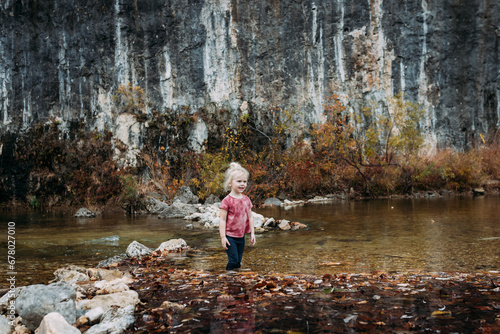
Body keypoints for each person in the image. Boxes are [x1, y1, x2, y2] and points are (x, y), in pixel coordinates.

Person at [219, 162, 256, 271]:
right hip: (230, 236)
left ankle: (236, 280)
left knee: (238, 261)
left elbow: (250, 217)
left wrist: (252, 233)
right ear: (230, 183)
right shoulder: (227, 201)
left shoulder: (246, 200)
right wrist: (223, 237)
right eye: (239, 181)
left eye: (244, 182)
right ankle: (228, 277)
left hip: (241, 237)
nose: (242, 184)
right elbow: (222, 219)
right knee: (233, 260)